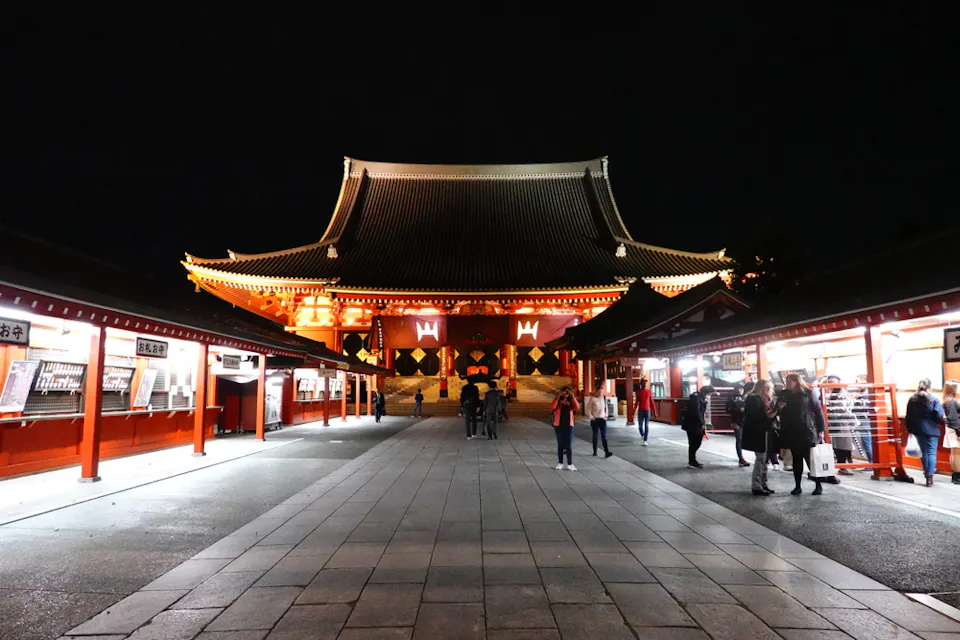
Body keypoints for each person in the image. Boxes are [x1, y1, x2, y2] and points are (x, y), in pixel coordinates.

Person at [778, 373, 826, 495]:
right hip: (791, 430)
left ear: (797, 382)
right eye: (787, 382)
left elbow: (818, 411)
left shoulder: (808, 393)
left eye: (790, 381)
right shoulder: (783, 394)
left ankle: (818, 485)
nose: (787, 384)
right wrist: (779, 407)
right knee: (796, 459)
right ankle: (797, 486)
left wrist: (821, 429)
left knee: (810, 459)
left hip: (807, 429)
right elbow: (778, 410)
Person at [743, 379, 781, 495]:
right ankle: (756, 486)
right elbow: (760, 416)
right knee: (761, 458)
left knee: (765, 459)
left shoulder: (767, 399)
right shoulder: (753, 399)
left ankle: (763, 483)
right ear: (760, 388)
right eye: (766, 388)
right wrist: (774, 410)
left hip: (767, 430)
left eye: (770, 388)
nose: (768, 390)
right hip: (758, 431)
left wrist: (776, 409)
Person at [905, 377, 945, 487]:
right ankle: (930, 477)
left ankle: (927, 474)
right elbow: (939, 415)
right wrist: (936, 422)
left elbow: (909, 415)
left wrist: (909, 428)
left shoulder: (913, 399)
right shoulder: (934, 399)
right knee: (932, 452)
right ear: (929, 387)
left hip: (918, 429)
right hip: (932, 429)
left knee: (924, 452)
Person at [823, 375, 856, 475]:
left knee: (844, 445)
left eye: (833, 381)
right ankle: (842, 466)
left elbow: (844, 408)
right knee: (838, 445)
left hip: (843, 422)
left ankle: (843, 465)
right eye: (829, 382)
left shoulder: (842, 393)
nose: (831, 384)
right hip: (834, 423)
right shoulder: (830, 393)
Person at [682, 385, 715, 469]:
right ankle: (692, 461)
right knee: (694, 442)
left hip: (696, 423)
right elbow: (696, 411)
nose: (710, 395)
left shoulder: (701, 398)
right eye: (710, 394)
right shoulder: (696, 398)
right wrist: (701, 423)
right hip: (692, 423)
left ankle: (693, 460)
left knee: (697, 441)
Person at [550, 387, 580, 470]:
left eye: (566, 392)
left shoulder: (571, 400)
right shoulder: (558, 400)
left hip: (569, 425)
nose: (565, 394)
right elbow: (552, 406)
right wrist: (558, 397)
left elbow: (577, 407)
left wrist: (572, 396)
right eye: (563, 392)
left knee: (569, 445)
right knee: (560, 444)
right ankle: (560, 463)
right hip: (558, 425)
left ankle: (570, 464)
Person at [725, 383, 750, 467]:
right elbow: (728, 409)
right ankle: (741, 458)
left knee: (744, 440)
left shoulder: (746, 397)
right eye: (739, 388)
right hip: (736, 421)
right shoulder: (731, 398)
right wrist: (737, 410)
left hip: (746, 421)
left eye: (741, 388)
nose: (740, 390)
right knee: (739, 440)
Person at [585, 386, 612, 458]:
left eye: (602, 392)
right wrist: (591, 417)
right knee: (595, 436)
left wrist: (606, 415)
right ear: (596, 392)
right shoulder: (592, 399)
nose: (601, 393)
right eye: (599, 392)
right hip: (595, 420)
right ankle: (595, 451)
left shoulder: (604, 398)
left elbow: (606, 407)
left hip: (602, 419)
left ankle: (606, 452)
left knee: (604, 436)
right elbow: (588, 409)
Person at [942, 380, 960, 484]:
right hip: (955, 429)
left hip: (951, 429)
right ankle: (958, 476)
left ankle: (955, 474)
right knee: (957, 453)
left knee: (954, 452)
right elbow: (954, 418)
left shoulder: (947, 400)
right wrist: (959, 432)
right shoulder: (952, 401)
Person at [635, 379, 657, 446]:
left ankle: (645, 440)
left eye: (644, 384)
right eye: (642, 384)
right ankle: (643, 435)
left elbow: (652, 402)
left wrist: (654, 411)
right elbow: (636, 403)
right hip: (641, 411)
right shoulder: (638, 392)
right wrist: (633, 412)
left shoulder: (649, 392)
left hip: (647, 411)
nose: (643, 385)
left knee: (646, 426)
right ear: (641, 385)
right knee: (640, 426)